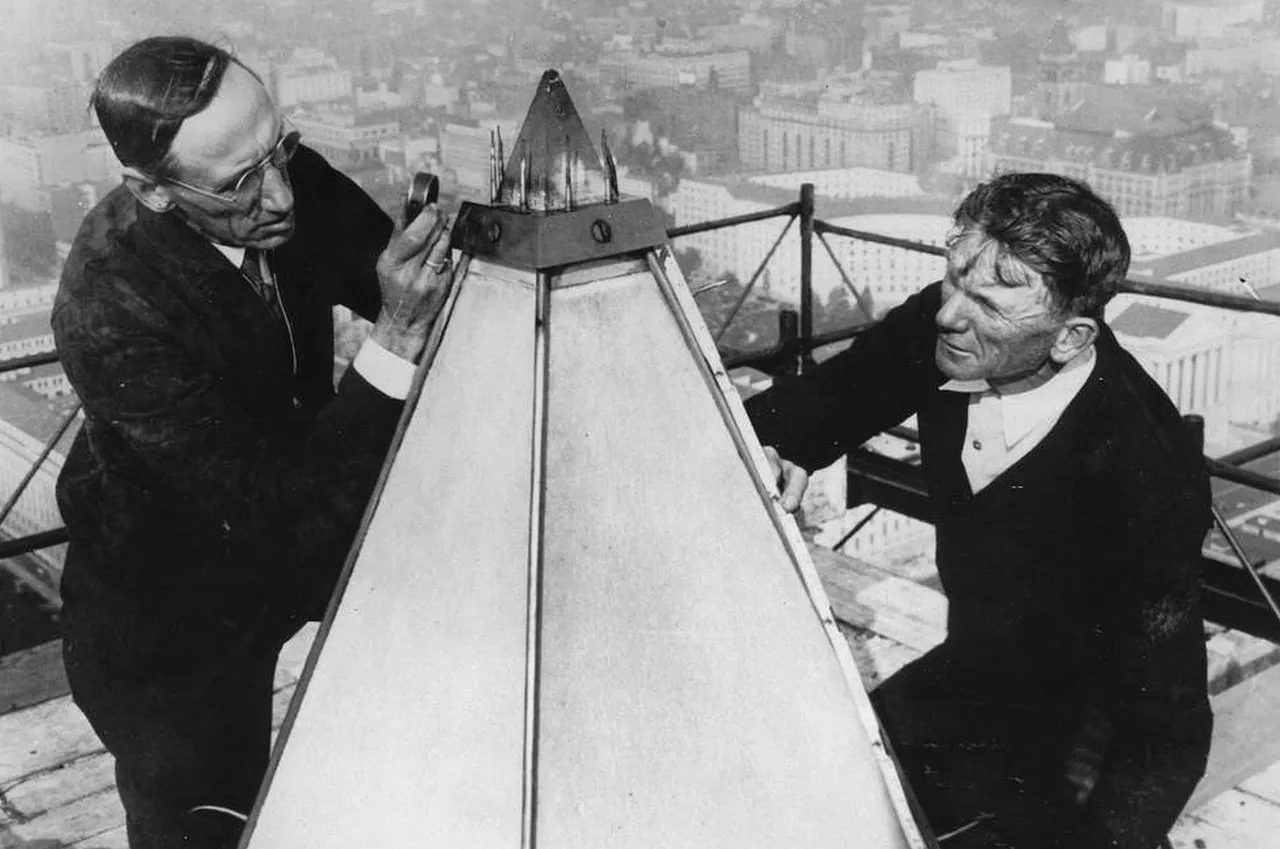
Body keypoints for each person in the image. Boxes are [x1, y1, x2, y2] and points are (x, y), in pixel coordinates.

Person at [52, 36, 454, 849]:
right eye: (240, 183)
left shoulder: (270, 172)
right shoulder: (109, 305)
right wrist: (401, 334)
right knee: (207, 821)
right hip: (170, 628)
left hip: (284, 546)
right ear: (155, 193)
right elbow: (275, 508)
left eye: (282, 150)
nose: (280, 196)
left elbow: (386, 278)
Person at [746, 173, 1213, 848]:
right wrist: (780, 444)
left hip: (1086, 743)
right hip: (970, 675)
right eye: (953, 275)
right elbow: (837, 395)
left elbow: (1165, 740)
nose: (947, 312)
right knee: (808, 786)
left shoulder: (1144, 470)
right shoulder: (958, 328)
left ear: (1069, 337)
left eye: (985, 300)